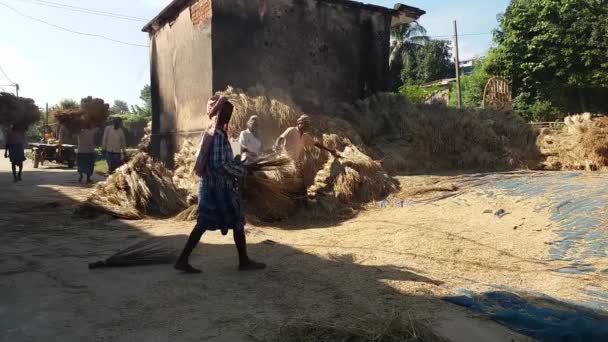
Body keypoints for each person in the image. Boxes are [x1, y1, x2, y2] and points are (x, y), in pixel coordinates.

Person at [174, 95, 266, 274]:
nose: (229, 116)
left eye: (230, 113)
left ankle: (183, 259)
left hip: (212, 186)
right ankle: (244, 261)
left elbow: (222, 161)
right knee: (235, 220)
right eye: (226, 112)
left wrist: (238, 163)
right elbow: (218, 164)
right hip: (217, 187)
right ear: (219, 113)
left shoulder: (212, 133)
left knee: (209, 222)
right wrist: (242, 170)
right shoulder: (216, 135)